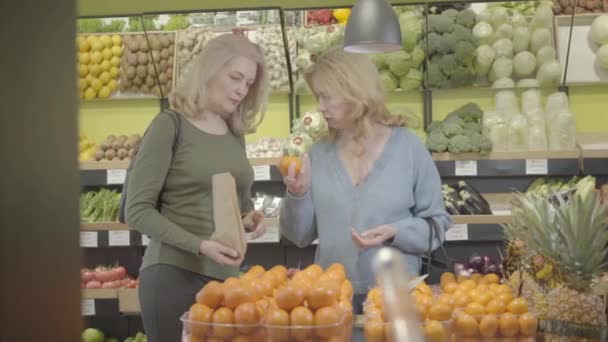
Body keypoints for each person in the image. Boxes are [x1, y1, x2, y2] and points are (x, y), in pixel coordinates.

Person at [125, 34, 269, 342]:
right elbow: (136, 211)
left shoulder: (234, 133)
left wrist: (248, 217)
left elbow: (237, 203)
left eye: (248, 83)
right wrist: (200, 245)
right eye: (235, 78)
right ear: (209, 70)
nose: (242, 90)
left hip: (225, 282)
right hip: (173, 275)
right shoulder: (170, 125)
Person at [280, 49, 452, 294]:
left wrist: (397, 232)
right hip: (331, 298)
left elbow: (436, 226)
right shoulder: (318, 154)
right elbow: (299, 236)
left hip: (397, 299)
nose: (320, 107)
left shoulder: (409, 149)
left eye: (327, 97)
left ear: (356, 94)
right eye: (318, 97)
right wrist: (297, 194)